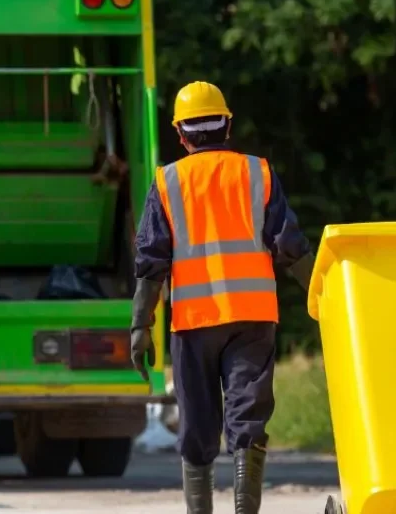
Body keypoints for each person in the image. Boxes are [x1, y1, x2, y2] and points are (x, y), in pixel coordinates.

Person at [129, 81, 315, 514]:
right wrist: (326, 296)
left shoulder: (167, 181)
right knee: (248, 419)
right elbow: (289, 245)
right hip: (252, 318)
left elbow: (150, 260)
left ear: (181, 134)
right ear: (227, 125)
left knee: (197, 427)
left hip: (193, 323)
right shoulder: (258, 172)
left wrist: (141, 325)